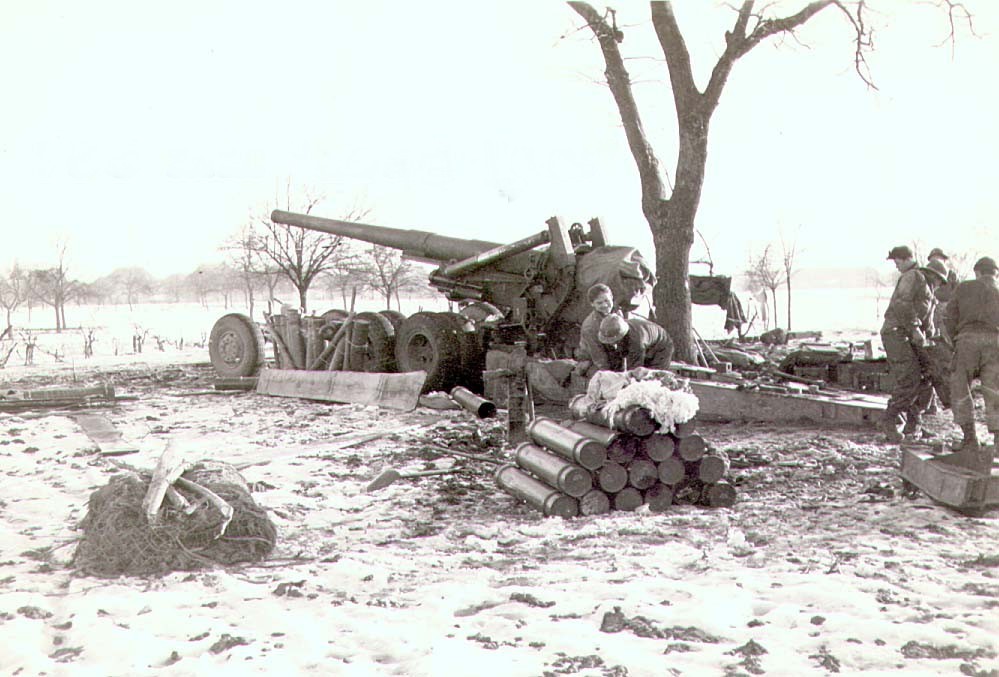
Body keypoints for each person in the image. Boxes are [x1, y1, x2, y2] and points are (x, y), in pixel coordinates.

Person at [941, 256, 999, 475]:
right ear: (995, 274)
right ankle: (998, 440)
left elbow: (948, 317)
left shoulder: (964, 288)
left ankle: (970, 438)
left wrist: (957, 337)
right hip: (995, 342)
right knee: (994, 390)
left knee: (960, 386)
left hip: (966, 341)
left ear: (977, 272)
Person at [880, 245, 934, 443]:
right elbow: (902, 304)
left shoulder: (913, 276)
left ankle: (914, 424)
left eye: (897, 261)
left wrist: (921, 331)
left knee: (923, 375)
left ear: (906, 259)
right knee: (909, 377)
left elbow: (918, 308)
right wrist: (914, 329)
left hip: (902, 334)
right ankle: (889, 422)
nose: (896, 266)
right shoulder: (913, 277)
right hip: (898, 334)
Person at [914, 258, 953, 413]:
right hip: (913, 338)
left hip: (923, 339)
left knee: (930, 376)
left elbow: (928, 322)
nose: (939, 285)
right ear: (933, 276)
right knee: (920, 378)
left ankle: (923, 412)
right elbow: (913, 316)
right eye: (939, 281)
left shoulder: (930, 294)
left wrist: (931, 337)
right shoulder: (921, 290)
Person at [597, 314, 674, 372]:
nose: (610, 343)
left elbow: (635, 370)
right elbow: (616, 362)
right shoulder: (616, 330)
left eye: (613, 341)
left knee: (653, 379)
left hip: (661, 346)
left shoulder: (636, 341)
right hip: (647, 344)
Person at [575, 283, 620, 377]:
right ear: (592, 304)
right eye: (599, 303)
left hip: (613, 353)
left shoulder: (618, 313)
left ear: (612, 297)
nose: (605, 305)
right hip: (593, 360)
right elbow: (599, 357)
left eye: (607, 300)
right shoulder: (590, 327)